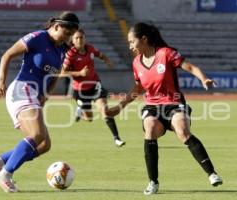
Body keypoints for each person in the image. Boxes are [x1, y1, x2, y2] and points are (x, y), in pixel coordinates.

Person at [111, 22, 223, 195]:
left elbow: (190, 67)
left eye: (132, 41)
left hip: (173, 102)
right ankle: (153, 182)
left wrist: (203, 78)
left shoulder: (166, 53)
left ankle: (212, 173)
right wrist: (121, 106)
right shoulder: (136, 63)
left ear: (144, 39)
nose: (130, 45)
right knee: (149, 129)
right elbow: (138, 88)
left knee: (183, 131)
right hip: (152, 106)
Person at [0, 12, 80, 193]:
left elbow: (55, 75)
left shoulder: (61, 50)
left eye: (70, 36)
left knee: (44, 145)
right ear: (56, 26)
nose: (67, 39)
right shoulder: (37, 37)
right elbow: (7, 55)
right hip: (21, 89)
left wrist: (47, 93)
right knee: (37, 134)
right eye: (66, 34)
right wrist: (1, 80)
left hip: (34, 94)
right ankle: (5, 174)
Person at [61, 29, 125, 147]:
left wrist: (107, 60)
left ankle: (117, 138)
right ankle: (80, 112)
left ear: (85, 38)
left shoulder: (90, 48)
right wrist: (80, 73)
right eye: (77, 38)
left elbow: (100, 55)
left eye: (82, 37)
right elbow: (62, 73)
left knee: (105, 110)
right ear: (73, 41)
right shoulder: (70, 54)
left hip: (95, 85)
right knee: (89, 118)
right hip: (80, 90)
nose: (80, 40)